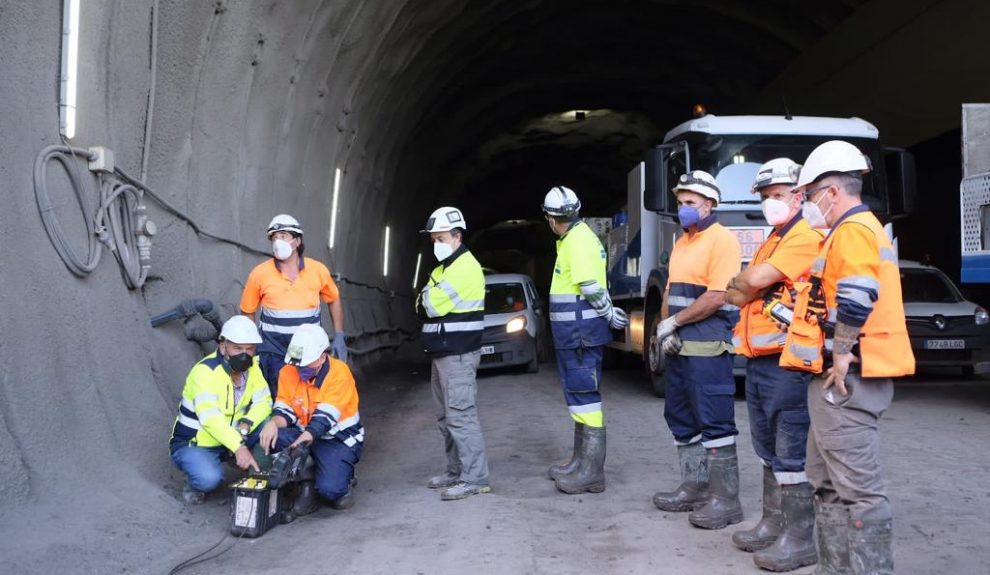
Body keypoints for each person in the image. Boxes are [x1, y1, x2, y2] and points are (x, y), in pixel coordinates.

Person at [791, 140, 914, 574]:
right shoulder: (847, 232)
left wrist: (841, 354)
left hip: (849, 379)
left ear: (831, 190)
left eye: (808, 194)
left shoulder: (855, 230)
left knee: (860, 491)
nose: (807, 203)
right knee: (825, 484)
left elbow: (858, 296)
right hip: (836, 378)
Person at [725, 158, 823, 571]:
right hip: (762, 359)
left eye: (778, 195)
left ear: (800, 194)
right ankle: (773, 523)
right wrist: (745, 285)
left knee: (790, 449)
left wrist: (746, 285)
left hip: (790, 360)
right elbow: (736, 290)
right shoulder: (774, 238)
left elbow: (746, 284)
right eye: (765, 197)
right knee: (766, 447)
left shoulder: (804, 235)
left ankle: (798, 539)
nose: (771, 203)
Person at [652, 170, 743, 530]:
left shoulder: (722, 240)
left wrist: (675, 323)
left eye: (691, 203)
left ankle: (726, 501)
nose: (683, 208)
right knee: (680, 417)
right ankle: (694, 487)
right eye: (680, 202)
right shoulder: (682, 241)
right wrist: (663, 328)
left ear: (710, 205)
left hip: (707, 344)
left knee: (715, 420)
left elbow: (717, 296)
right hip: (679, 347)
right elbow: (671, 290)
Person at [542, 186, 628, 495]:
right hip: (575, 333)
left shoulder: (577, 241)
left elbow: (590, 286)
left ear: (552, 219)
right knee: (579, 395)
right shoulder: (574, 238)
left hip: (580, 333)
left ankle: (591, 472)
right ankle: (580, 463)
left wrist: (606, 314)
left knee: (585, 396)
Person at [416, 206, 491, 501]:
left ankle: (476, 478)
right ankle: (456, 470)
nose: (436, 244)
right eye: (433, 239)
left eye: (441, 238)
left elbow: (430, 306)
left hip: (458, 355)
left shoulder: (465, 267)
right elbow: (419, 304)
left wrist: (425, 300)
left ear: (457, 236)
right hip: (442, 354)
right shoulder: (441, 269)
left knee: (461, 416)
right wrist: (424, 300)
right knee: (445, 417)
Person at [257, 324, 364, 514]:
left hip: (337, 439)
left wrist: (299, 444)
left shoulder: (339, 374)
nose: (300, 369)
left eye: (306, 364)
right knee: (272, 436)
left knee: (331, 491)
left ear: (322, 357)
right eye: (298, 364)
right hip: (305, 433)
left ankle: (343, 477)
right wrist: (273, 423)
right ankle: (307, 479)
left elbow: (323, 420)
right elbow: (285, 408)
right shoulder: (289, 371)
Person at [169, 316, 272, 504]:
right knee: (208, 479)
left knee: (270, 426)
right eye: (238, 349)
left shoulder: (253, 368)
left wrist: (247, 424)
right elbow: (210, 418)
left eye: (250, 349)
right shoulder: (205, 373)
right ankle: (195, 483)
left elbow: (264, 401)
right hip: (196, 443)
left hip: (232, 437)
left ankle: (256, 471)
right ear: (223, 347)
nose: (245, 355)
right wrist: (239, 447)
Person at [240, 214, 347, 395]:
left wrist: (339, 335)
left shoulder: (317, 270)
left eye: (283, 236)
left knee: (308, 391)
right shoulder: (260, 273)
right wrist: (252, 343)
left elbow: (333, 299)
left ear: (297, 241)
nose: (277, 242)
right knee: (279, 393)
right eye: (274, 238)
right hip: (273, 348)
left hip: (307, 347)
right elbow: (247, 310)